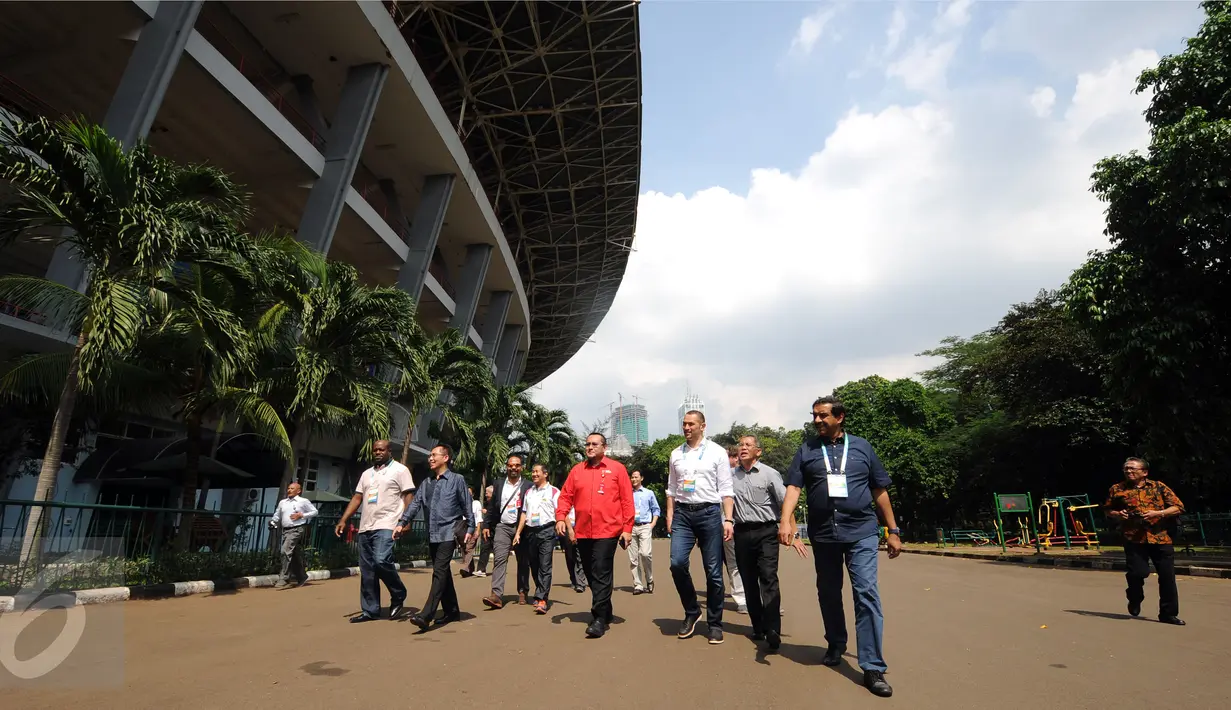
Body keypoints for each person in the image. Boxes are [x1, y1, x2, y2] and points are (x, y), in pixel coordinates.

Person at [780, 396, 901, 698]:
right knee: (829, 592)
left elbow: (879, 489)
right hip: (824, 535)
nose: (817, 421)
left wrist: (893, 530)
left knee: (866, 593)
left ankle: (872, 666)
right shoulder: (806, 449)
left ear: (840, 417)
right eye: (814, 416)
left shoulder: (862, 447)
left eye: (822, 416)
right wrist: (785, 521)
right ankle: (835, 642)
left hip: (861, 531)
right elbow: (794, 487)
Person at [555, 432, 634, 639]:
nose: (590, 447)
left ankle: (598, 618)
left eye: (594, 444)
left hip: (608, 530)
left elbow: (627, 501)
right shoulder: (577, 471)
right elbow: (565, 496)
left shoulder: (617, 469)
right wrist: (561, 517)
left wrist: (627, 529)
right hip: (583, 531)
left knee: (601, 569)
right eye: (587, 444)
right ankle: (606, 609)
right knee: (590, 572)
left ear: (604, 447)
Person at [666, 410, 735, 645]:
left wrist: (728, 519)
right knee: (676, 564)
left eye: (691, 424)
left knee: (713, 572)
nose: (686, 428)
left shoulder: (717, 452)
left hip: (709, 514)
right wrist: (669, 515)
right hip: (683, 515)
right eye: (684, 424)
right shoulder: (676, 453)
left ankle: (715, 623)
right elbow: (672, 488)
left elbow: (726, 489)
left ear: (702, 426)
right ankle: (692, 610)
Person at [732, 435, 806, 650]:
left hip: (766, 531)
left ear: (758, 451)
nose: (743, 448)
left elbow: (786, 504)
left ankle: (773, 628)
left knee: (768, 577)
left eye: (748, 445)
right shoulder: (730, 476)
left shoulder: (769, 474)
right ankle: (758, 626)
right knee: (748, 580)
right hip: (742, 533)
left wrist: (793, 533)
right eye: (741, 445)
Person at [394, 444, 474, 630]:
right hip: (433, 533)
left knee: (438, 572)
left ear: (445, 458)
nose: (430, 458)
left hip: (449, 532)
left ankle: (426, 615)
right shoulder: (427, 483)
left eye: (434, 455)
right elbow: (415, 505)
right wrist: (402, 522)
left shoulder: (457, 480)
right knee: (443, 572)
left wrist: (471, 526)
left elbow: (466, 504)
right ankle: (452, 611)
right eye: (429, 455)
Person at [335, 440, 416, 623]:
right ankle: (370, 610)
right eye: (375, 450)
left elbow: (408, 496)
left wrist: (406, 520)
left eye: (381, 449)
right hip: (366, 526)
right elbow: (357, 497)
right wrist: (343, 519)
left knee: (381, 560)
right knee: (368, 570)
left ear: (389, 451)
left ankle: (398, 593)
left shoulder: (400, 470)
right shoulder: (366, 474)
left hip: (388, 524)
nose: (378, 452)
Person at [1103, 457, 1186, 625]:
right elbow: (1108, 510)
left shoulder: (1159, 487)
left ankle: (1168, 614)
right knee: (1138, 573)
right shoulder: (1117, 489)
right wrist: (1118, 514)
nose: (1129, 471)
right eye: (1126, 468)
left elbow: (1178, 507)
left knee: (1167, 577)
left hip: (1161, 537)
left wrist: (1158, 514)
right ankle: (1135, 597)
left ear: (1144, 472)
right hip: (1133, 538)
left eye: (1133, 469)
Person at [482, 455, 533, 609]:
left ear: (521, 468)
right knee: (499, 559)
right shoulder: (498, 484)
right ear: (507, 467)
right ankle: (496, 595)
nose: (513, 468)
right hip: (502, 527)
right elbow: (492, 507)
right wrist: (486, 524)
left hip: (521, 529)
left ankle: (523, 590)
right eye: (511, 465)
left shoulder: (528, 485)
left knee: (523, 561)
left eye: (517, 465)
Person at [514, 463, 561, 614]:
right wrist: (518, 532)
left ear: (545, 474)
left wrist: (566, 527)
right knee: (534, 565)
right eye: (533, 472)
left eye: (537, 472)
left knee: (545, 565)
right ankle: (539, 590)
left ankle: (542, 599)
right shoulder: (529, 492)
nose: (534, 474)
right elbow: (524, 513)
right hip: (531, 532)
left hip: (547, 531)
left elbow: (560, 511)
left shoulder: (554, 492)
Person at [270, 481, 318, 588]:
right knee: (293, 554)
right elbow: (277, 514)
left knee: (285, 551)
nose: (289, 490)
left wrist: (302, 515)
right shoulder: (283, 502)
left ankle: (284, 578)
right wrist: (273, 522)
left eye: (292, 488)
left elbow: (315, 512)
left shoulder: (303, 501)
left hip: (297, 529)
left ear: (299, 491)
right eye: (288, 488)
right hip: (285, 530)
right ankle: (301, 576)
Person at [723, 446, 749, 613]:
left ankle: (764, 599)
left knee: (757, 563)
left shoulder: (746, 474)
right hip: (729, 524)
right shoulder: (720, 478)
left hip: (749, 524)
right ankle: (741, 599)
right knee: (733, 563)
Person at [629, 470, 661, 594]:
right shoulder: (627, 493)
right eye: (632, 477)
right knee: (633, 558)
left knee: (645, 553)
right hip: (631, 527)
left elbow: (656, 509)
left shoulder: (649, 493)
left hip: (645, 526)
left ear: (641, 478)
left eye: (636, 477)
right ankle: (638, 584)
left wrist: (652, 524)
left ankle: (650, 579)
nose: (634, 479)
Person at [560, 505, 589, 592]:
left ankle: (580, 582)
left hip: (581, 527)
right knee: (570, 557)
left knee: (580, 555)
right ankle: (573, 579)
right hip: (568, 527)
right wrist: (569, 529)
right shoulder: (566, 497)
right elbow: (563, 512)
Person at [459, 486, 482, 576]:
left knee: (469, 547)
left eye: (469, 492)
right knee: (464, 548)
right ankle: (470, 569)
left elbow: (479, 517)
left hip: (474, 527)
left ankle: (465, 568)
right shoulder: (461, 504)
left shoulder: (476, 503)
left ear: (472, 494)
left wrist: (478, 530)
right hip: (463, 528)